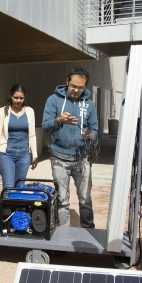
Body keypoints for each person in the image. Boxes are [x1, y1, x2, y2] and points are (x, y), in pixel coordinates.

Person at [42, 67, 98, 228]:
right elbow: (46, 127)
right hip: (59, 157)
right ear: (67, 82)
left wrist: (90, 135)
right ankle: (64, 237)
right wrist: (59, 120)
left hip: (82, 158)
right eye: (73, 86)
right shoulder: (53, 100)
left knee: (85, 199)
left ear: (85, 86)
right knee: (62, 200)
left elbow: (95, 130)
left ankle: (88, 233)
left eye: (81, 87)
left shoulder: (90, 105)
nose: (76, 90)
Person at [0, 84, 38, 188]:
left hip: (24, 154)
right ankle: (7, 204)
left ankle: (17, 205)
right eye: (16, 97)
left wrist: (34, 155)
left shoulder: (30, 111)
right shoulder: (2, 111)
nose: (18, 100)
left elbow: (32, 134)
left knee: (20, 186)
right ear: (10, 96)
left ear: (24, 97)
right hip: (6, 154)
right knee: (8, 187)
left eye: (21, 98)